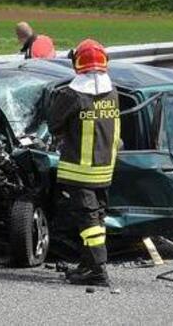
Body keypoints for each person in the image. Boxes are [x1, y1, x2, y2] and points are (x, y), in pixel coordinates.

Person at [48, 39, 120, 287]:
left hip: (80, 171)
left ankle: (98, 271)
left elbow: (54, 125)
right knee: (97, 218)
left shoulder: (73, 94)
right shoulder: (113, 92)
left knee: (89, 222)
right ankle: (88, 265)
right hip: (104, 171)